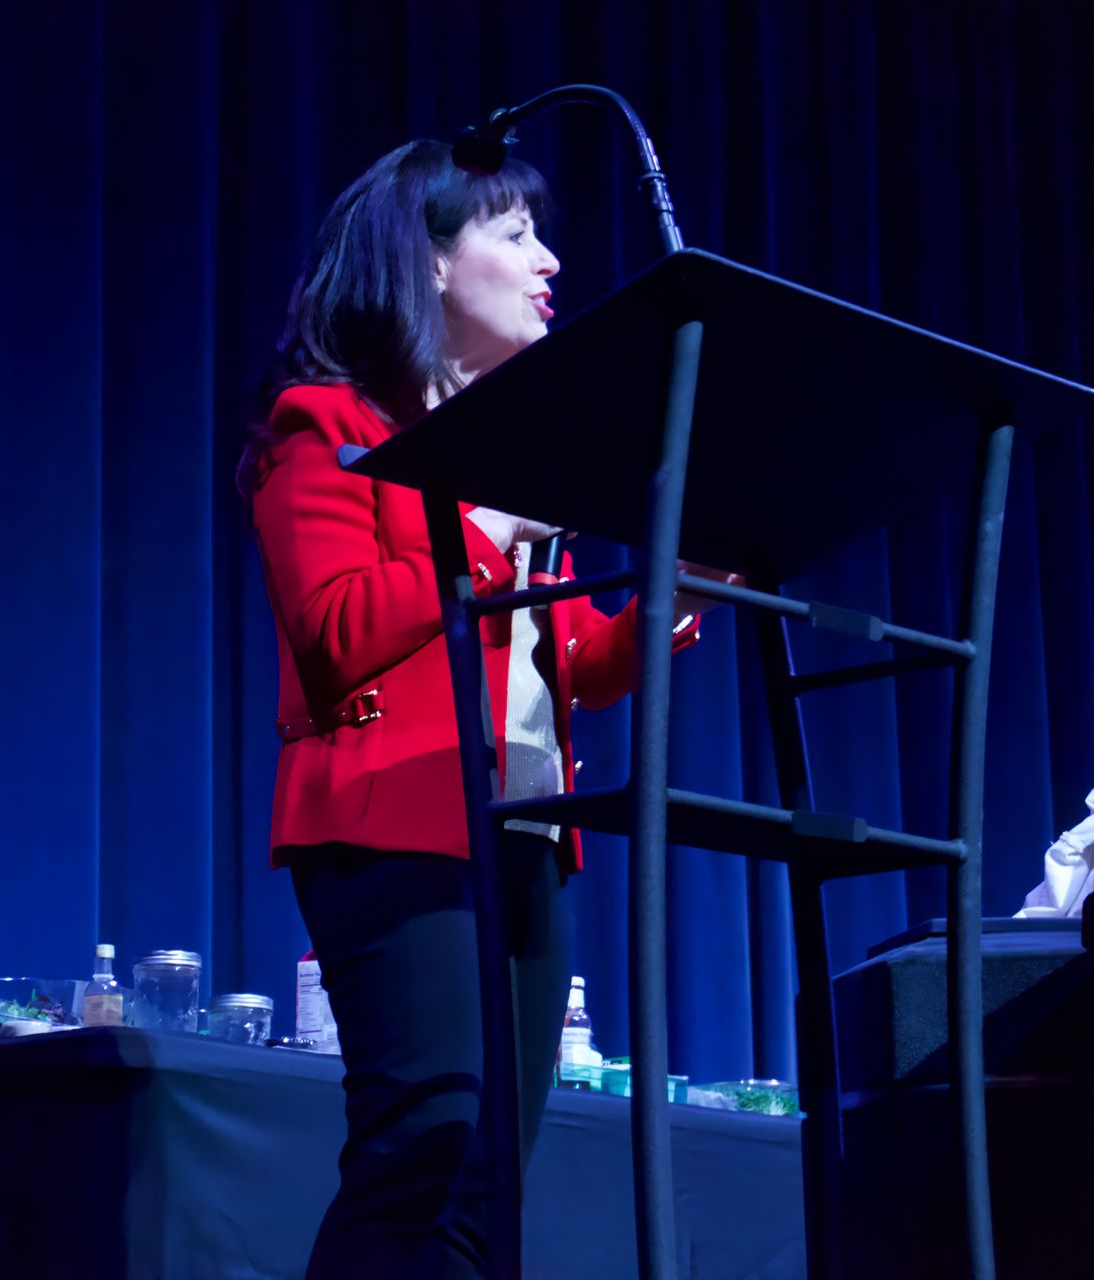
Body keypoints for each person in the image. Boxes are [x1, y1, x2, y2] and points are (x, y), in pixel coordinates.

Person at [239, 139, 728, 1279]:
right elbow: (336, 632)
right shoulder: (330, 428)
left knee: (486, 1184)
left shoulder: (514, 451)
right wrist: (490, 528)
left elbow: (567, 670)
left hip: (524, 840)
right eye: (515, 234)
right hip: (391, 821)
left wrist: (665, 605)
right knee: (421, 1153)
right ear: (431, 263)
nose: (551, 260)